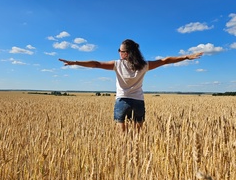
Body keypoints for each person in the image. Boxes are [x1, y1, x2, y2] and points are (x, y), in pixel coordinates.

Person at [59, 39, 203, 132]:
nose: (119, 52)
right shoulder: (144, 65)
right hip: (138, 102)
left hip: (122, 101)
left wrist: (75, 62)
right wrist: (186, 57)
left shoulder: (116, 64)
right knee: (137, 138)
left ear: (125, 54)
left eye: (120, 51)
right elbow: (165, 60)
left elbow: (95, 64)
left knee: (123, 139)